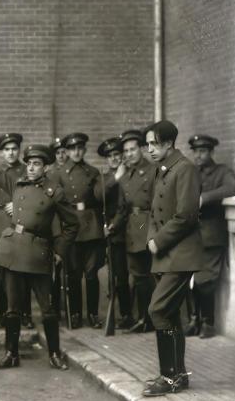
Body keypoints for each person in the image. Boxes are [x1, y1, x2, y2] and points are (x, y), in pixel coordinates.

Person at [0, 120, 77, 370]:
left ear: (45, 167)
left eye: (37, 164)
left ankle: (54, 353)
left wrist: (60, 252)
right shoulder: (16, 183)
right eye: (29, 163)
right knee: (11, 309)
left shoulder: (55, 192)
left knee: (48, 309)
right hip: (13, 252)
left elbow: (72, 225)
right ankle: (11, 354)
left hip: (40, 255)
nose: (31, 168)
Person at [141, 120, 203, 397]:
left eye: (154, 143)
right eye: (148, 144)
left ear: (169, 143)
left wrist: (159, 240)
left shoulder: (185, 169)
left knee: (158, 310)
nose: (150, 149)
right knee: (169, 314)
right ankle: (176, 376)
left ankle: (170, 377)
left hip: (181, 255)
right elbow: (154, 212)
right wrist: (152, 239)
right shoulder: (163, 170)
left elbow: (186, 216)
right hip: (167, 255)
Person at [187, 134, 235, 338]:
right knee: (189, 280)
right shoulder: (191, 173)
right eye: (196, 152)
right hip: (191, 235)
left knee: (204, 281)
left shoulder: (221, 172)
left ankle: (208, 323)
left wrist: (204, 198)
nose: (198, 156)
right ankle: (194, 320)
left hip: (211, 235)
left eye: (203, 151)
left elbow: (232, 188)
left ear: (211, 152)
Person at [108, 129, 158, 334]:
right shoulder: (125, 175)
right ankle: (143, 318)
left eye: (133, 149)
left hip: (148, 228)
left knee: (149, 276)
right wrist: (113, 226)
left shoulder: (153, 170)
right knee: (139, 276)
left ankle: (149, 318)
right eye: (126, 151)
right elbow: (122, 208)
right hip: (131, 230)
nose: (129, 154)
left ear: (142, 149)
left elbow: (160, 203)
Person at [54, 132, 104, 329]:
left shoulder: (93, 172)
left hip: (91, 227)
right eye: (72, 149)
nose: (76, 152)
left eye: (79, 148)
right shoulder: (58, 174)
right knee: (73, 274)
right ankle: (74, 313)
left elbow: (100, 201)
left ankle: (92, 314)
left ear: (84, 150)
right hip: (70, 228)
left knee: (91, 275)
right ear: (66, 151)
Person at [0, 132, 28, 328]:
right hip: (0, 226)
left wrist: (18, 206)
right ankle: (4, 312)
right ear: (2, 153)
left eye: (14, 149)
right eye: (7, 150)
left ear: (19, 151)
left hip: (22, 227)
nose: (11, 153)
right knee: (1, 272)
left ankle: (24, 313)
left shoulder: (27, 172)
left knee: (22, 271)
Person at [97, 136, 132, 328]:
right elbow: (97, 195)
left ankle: (128, 315)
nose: (114, 159)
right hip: (110, 233)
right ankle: (119, 313)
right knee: (114, 276)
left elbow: (124, 207)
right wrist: (116, 178)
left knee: (127, 275)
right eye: (110, 156)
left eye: (117, 154)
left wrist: (114, 225)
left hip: (126, 230)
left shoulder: (130, 174)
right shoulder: (104, 177)